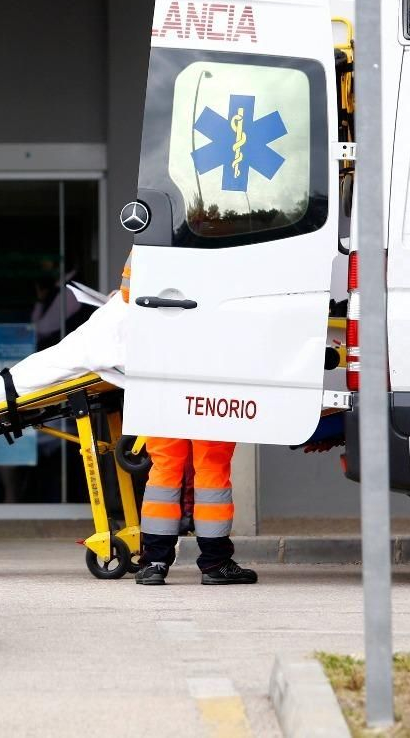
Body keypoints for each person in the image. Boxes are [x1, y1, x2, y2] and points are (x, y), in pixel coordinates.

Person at [121, 249, 257, 587]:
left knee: (164, 469)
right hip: (212, 367)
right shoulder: (233, 238)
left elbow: (128, 293)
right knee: (211, 468)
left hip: (162, 368)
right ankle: (214, 563)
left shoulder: (151, 239)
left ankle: (153, 563)